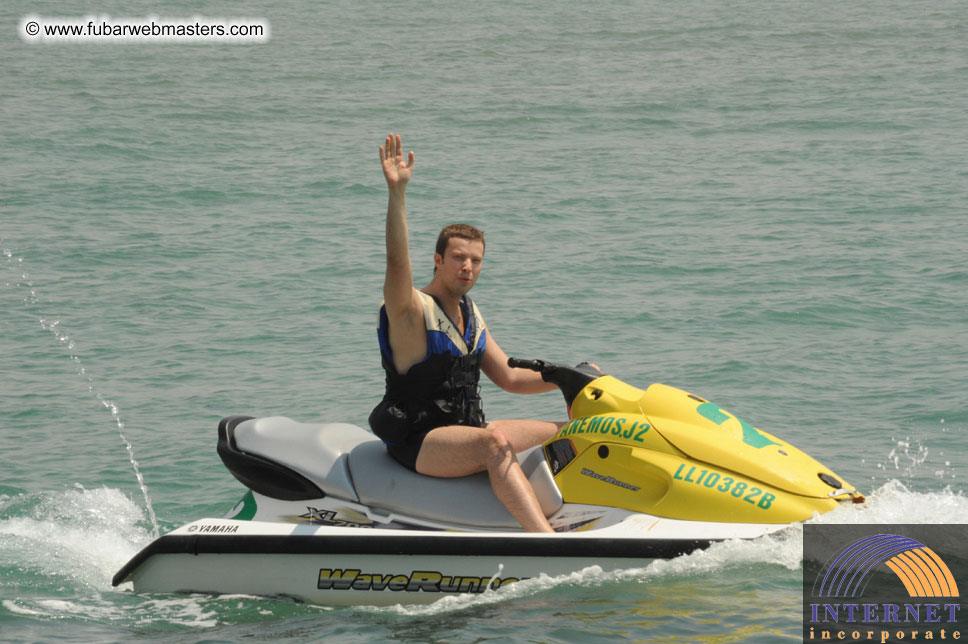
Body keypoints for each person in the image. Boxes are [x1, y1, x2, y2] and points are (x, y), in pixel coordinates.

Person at [368, 132, 563, 533]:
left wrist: (572, 379)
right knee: (495, 446)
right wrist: (397, 194)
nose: (467, 268)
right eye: (458, 258)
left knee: (575, 430)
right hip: (421, 441)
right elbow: (395, 262)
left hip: (468, 429)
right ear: (438, 260)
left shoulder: (470, 313)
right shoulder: (409, 310)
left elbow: (509, 376)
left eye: (475, 261)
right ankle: (546, 540)